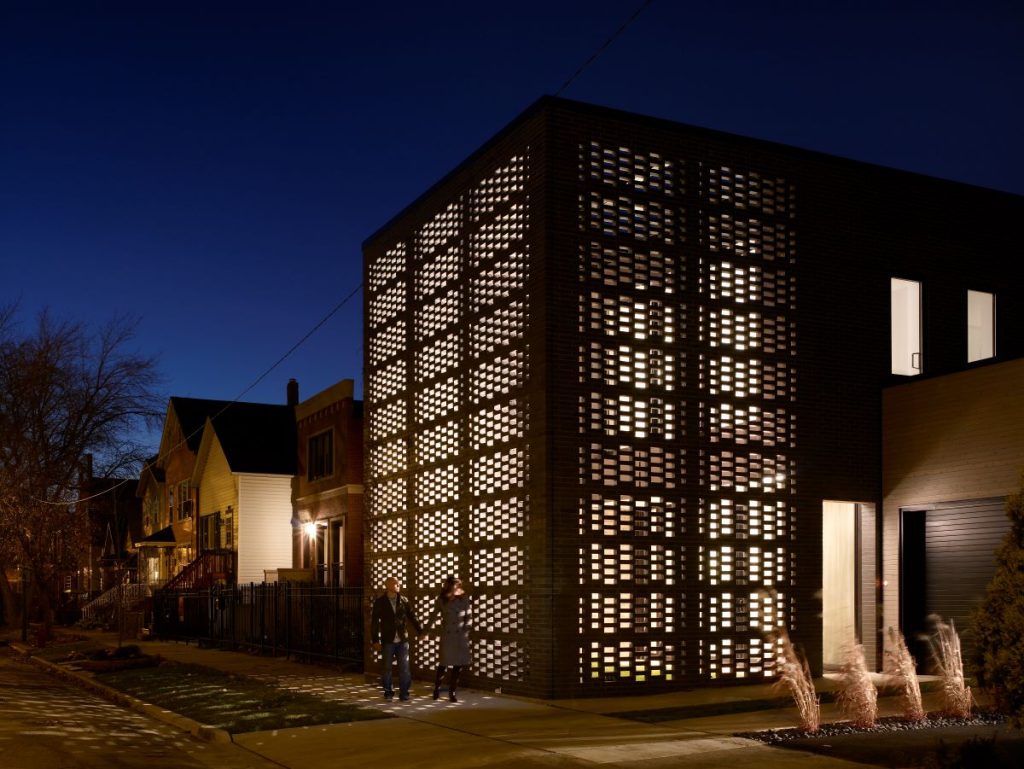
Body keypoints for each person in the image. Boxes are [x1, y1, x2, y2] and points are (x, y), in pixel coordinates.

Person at [370, 576, 423, 701]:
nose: (399, 586)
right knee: (387, 668)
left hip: (402, 641)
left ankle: (404, 694)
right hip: (388, 640)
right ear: (387, 586)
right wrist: (375, 640)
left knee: (404, 668)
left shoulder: (404, 600)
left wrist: (421, 632)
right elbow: (374, 623)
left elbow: (412, 617)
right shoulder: (380, 602)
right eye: (396, 584)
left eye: (399, 584)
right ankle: (388, 693)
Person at [424, 576, 471, 702]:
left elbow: (468, 616)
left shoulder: (464, 599)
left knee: (458, 666)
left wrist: (465, 632)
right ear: (449, 586)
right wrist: (425, 631)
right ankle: (437, 689)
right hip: (447, 635)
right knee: (443, 664)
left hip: (460, 636)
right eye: (455, 586)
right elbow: (433, 616)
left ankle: (452, 692)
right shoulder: (441, 600)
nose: (457, 588)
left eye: (459, 586)